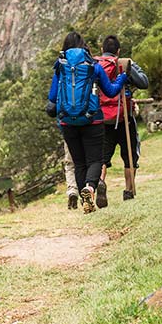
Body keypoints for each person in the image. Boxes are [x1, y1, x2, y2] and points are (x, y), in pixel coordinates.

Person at [47, 32, 128, 213]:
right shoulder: (93, 65)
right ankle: (89, 189)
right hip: (92, 119)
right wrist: (122, 78)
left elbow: (52, 97)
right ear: (83, 45)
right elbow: (111, 91)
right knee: (96, 160)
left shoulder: (60, 66)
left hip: (68, 122)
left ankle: (86, 199)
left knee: (79, 162)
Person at [96, 35, 149, 205]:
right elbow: (144, 83)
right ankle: (129, 190)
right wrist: (128, 66)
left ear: (102, 50)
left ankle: (101, 182)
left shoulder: (96, 65)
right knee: (130, 155)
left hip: (103, 118)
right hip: (124, 118)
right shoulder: (124, 64)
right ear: (118, 51)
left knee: (102, 157)